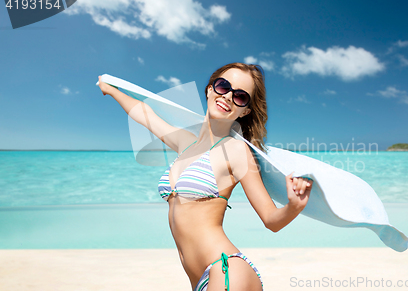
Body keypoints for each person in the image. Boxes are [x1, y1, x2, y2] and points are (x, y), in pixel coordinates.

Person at [98, 62, 313, 291]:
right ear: (210, 89)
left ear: (245, 110)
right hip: (199, 280)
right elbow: (144, 113)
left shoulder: (237, 151)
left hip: (226, 270)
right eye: (223, 86)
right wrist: (111, 90)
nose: (228, 96)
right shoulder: (185, 142)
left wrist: (294, 206)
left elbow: (271, 219)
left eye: (240, 97)